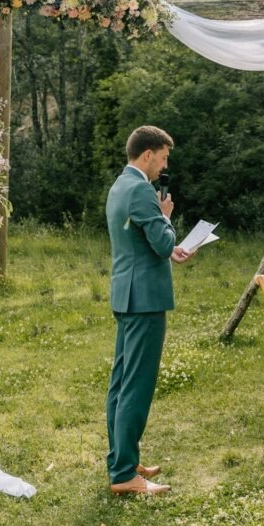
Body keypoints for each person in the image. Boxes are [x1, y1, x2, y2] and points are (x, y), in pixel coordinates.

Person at [105, 125, 193, 495]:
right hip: (144, 299)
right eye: (163, 157)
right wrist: (166, 217)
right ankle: (125, 475)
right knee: (137, 386)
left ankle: (123, 458)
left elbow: (137, 239)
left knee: (121, 383)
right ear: (147, 154)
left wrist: (164, 242)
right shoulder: (142, 190)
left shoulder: (119, 186)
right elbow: (159, 241)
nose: (164, 164)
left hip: (126, 293)